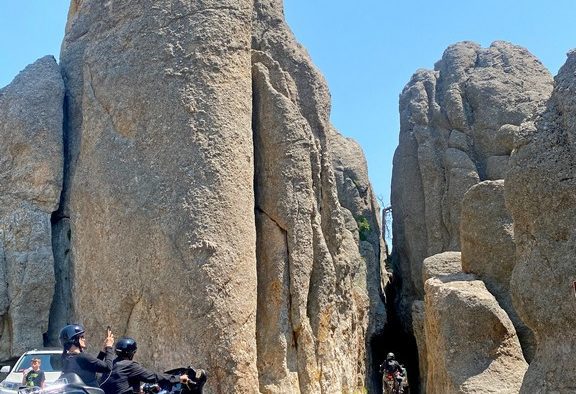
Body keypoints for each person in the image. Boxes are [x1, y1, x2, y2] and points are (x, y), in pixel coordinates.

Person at [100, 337, 189, 394]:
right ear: (131, 353)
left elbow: (120, 383)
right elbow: (153, 376)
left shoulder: (110, 363)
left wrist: (140, 390)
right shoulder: (130, 365)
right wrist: (179, 378)